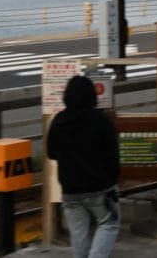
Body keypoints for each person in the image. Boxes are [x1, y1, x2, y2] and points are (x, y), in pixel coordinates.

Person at [46, 75, 121, 258]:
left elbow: (52, 153)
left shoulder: (59, 120)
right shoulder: (99, 120)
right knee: (109, 224)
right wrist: (112, 179)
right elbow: (112, 154)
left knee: (78, 233)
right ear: (91, 96)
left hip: (70, 190)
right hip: (100, 188)